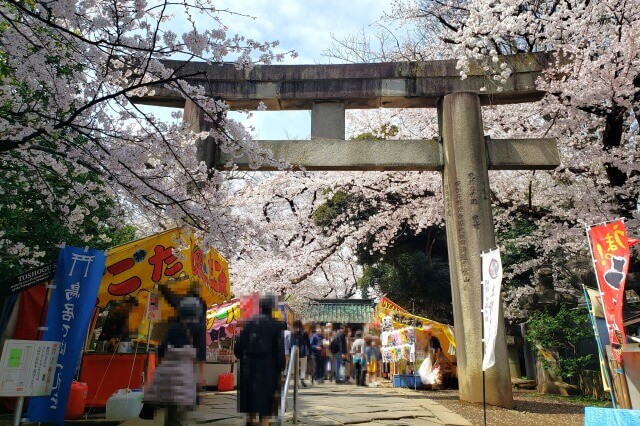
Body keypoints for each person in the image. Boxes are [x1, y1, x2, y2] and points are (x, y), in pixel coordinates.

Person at [142, 297, 204, 425]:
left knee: (170, 412)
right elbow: (201, 355)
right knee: (179, 413)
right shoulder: (199, 328)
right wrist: (201, 376)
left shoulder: (174, 327)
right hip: (184, 375)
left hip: (166, 375)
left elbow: (161, 349)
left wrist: (160, 368)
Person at [234, 295, 285, 426]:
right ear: (273, 307)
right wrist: (280, 368)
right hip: (267, 365)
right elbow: (279, 349)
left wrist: (242, 356)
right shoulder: (276, 325)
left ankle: (250, 420)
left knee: (249, 394)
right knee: (265, 396)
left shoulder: (249, 322)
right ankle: (264, 422)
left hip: (248, 364)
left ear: (260, 306)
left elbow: (238, 346)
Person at [288, 320, 311, 387]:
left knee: (296, 366)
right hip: (303, 351)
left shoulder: (292, 333)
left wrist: (290, 351)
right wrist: (310, 351)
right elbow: (308, 343)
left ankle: (296, 380)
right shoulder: (304, 332)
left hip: (295, 351)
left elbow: (291, 343)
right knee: (303, 366)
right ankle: (302, 379)